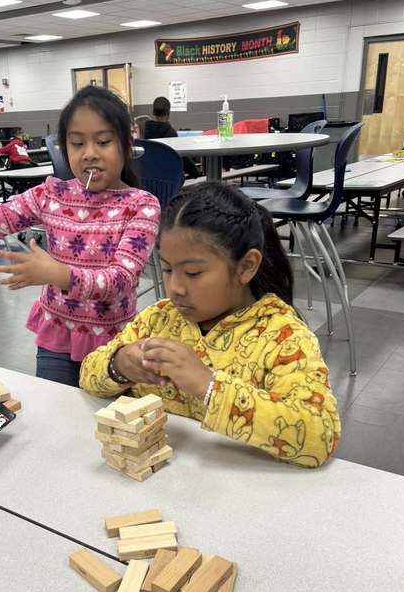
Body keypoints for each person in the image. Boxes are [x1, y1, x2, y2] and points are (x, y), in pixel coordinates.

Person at [80, 183, 341, 468]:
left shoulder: (282, 337)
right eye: (167, 269)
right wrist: (119, 365)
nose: (175, 288)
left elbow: (320, 435)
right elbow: (88, 375)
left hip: (235, 493)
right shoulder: (158, 319)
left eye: (193, 273)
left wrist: (208, 386)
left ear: (245, 266)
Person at [0, 85, 161, 388]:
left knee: (109, 425)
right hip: (57, 335)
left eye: (103, 141)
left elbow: (121, 280)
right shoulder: (52, 194)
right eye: (77, 143)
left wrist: (61, 275)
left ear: (125, 144)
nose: (90, 154)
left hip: (113, 344)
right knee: (57, 414)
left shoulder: (141, 205)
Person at [144, 97, 200, 179]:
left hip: (151, 177)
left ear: (153, 113)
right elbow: (182, 158)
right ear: (168, 113)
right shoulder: (170, 132)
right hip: (170, 179)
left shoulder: (147, 129)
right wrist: (196, 172)